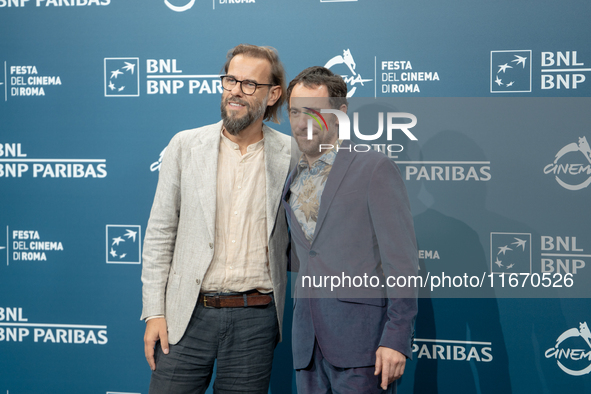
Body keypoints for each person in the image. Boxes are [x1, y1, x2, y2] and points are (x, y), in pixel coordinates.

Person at [141, 44, 295, 394]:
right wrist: (154, 312)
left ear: (273, 94)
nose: (236, 91)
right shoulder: (185, 145)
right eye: (230, 80)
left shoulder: (291, 154)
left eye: (249, 84)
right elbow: (160, 234)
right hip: (186, 316)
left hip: (256, 320)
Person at [283, 66, 419, 393]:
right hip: (307, 344)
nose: (302, 123)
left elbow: (401, 263)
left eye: (314, 112)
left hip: (363, 344)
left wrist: (397, 338)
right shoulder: (291, 176)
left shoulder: (373, 168)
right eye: (295, 112)